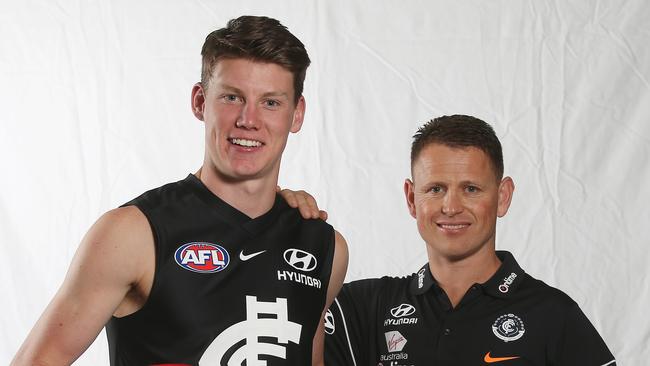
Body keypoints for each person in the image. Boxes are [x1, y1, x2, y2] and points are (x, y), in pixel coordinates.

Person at [12, 15, 348, 366]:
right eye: (232, 97)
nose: (249, 119)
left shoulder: (324, 248)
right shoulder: (131, 234)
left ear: (297, 115)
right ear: (200, 102)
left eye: (271, 102)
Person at [323, 115, 615, 365]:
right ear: (412, 199)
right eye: (436, 189)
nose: (451, 207)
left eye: (471, 189)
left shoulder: (553, 315)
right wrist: (287, 214)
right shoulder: (362, 309)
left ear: (503, 197)